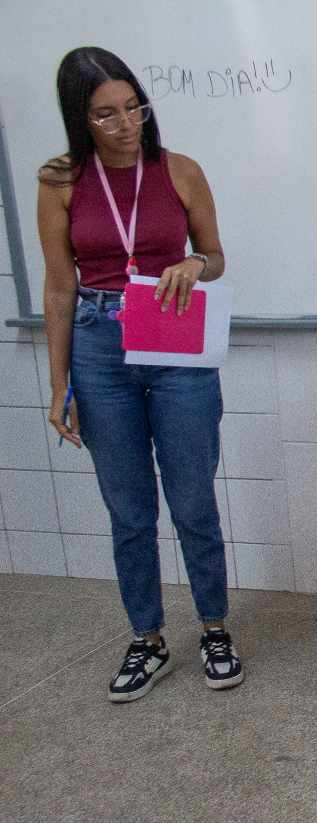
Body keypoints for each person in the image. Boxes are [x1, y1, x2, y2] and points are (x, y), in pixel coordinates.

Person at [36, 47, 240, 703]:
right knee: (128, 508)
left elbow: (214, 256)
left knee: (192, 500)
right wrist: (58, 380)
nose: (126, 124)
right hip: (98, 340)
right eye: (106, 115)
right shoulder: (61, 180)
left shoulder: (179, 171)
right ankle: (147, 639)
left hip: (172, 331)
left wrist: (193, 267)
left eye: (134, 107)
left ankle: (214, 627)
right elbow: (59, 288)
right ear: (81, 118)